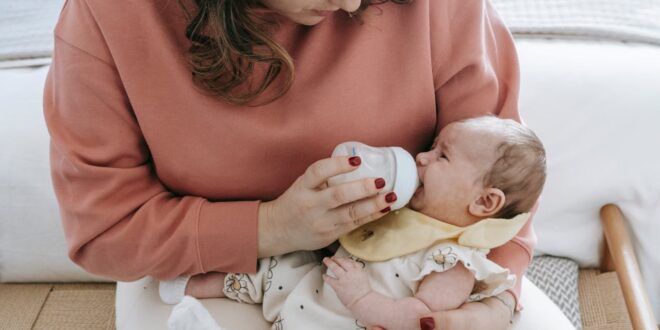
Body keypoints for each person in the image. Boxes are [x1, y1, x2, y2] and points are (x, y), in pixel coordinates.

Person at [43, 0, 540, 328]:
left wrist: (494, 301)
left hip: (422, 279)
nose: (352, 4)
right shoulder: (112, 17)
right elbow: (104, 230)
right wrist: (272, 227)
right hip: (206, 273)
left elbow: (505, 185)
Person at [160, 116, 546, 330]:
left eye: (442, 156)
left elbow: (418, 320)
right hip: (316, 287)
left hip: (348, 319)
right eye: (430, 148)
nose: (422, 158)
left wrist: (362, 298)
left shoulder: (453, 262)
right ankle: (193, 284)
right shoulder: (410, 212)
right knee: (277, 268)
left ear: (484, 202)